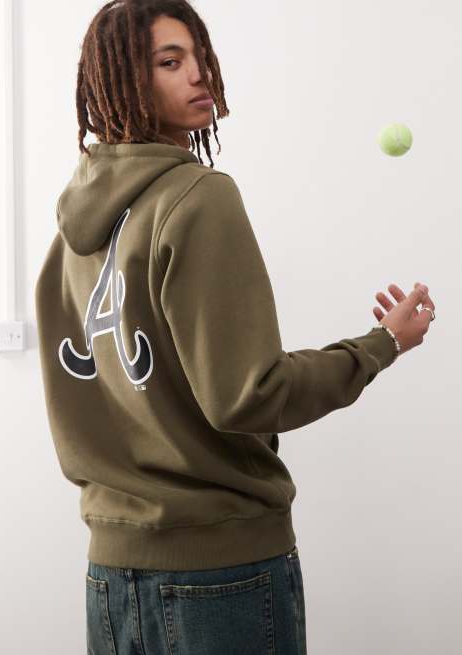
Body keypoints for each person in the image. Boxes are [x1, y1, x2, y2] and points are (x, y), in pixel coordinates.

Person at [34, 1, 436, 653]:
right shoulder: (199, 196)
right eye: (170, 62)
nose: (199, 74)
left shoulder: (71, 236)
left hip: (110, 578)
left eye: (199, 56)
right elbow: (249, 395)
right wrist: (380, 345)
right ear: (124, 80)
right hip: (219, 576)